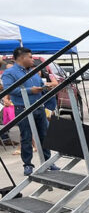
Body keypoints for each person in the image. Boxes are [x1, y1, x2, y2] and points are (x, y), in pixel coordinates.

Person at [0, 47, 58, 176]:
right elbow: (10, 90)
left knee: (44, 135)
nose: (32, 60)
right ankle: (28, 165)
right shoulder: (10, 73)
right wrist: (30, 91)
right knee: (26, 137)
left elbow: (38, 86)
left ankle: (48, 162)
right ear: (21, 58)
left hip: (38, 107)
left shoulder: (33, 72)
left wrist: (44, 88)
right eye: (30, 57)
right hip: (23, 108)